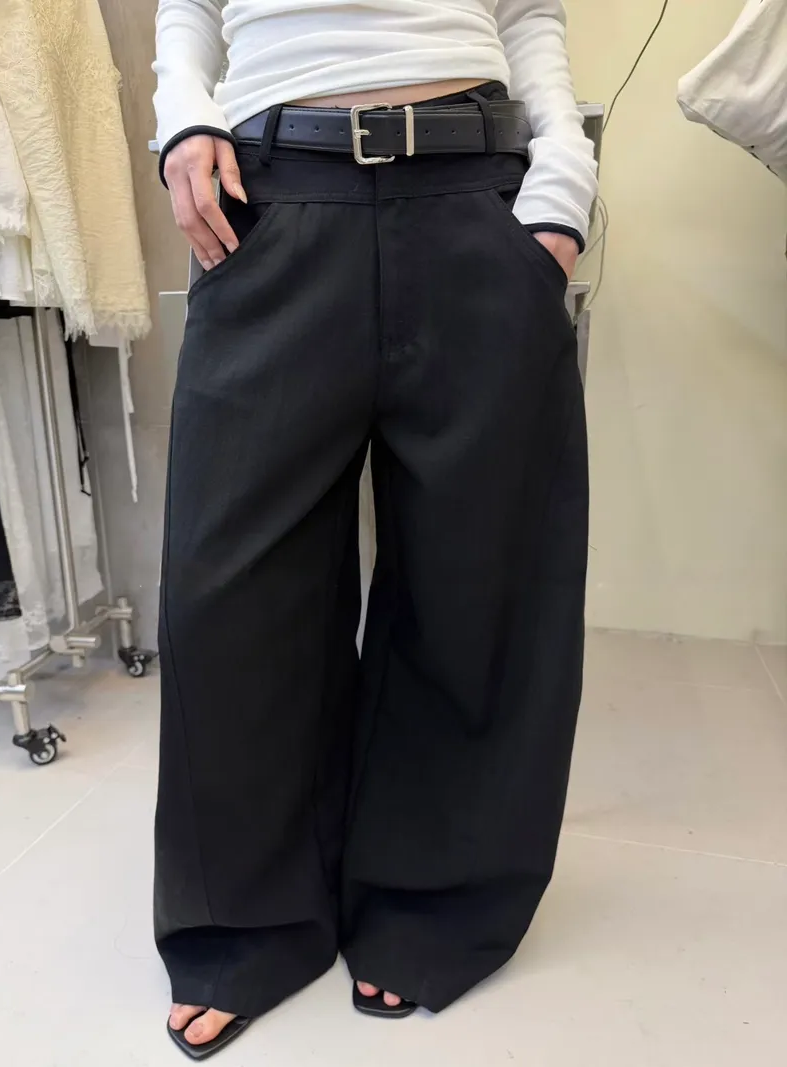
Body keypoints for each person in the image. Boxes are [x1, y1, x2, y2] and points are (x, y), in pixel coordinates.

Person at [152, 0, 597, 1057]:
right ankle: (247, 918)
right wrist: (182, 119)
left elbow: (529, 12)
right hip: (267, 200)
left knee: (474, 576)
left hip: (474, 195)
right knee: (229, 595)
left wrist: (562, 186)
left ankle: (431, 899)